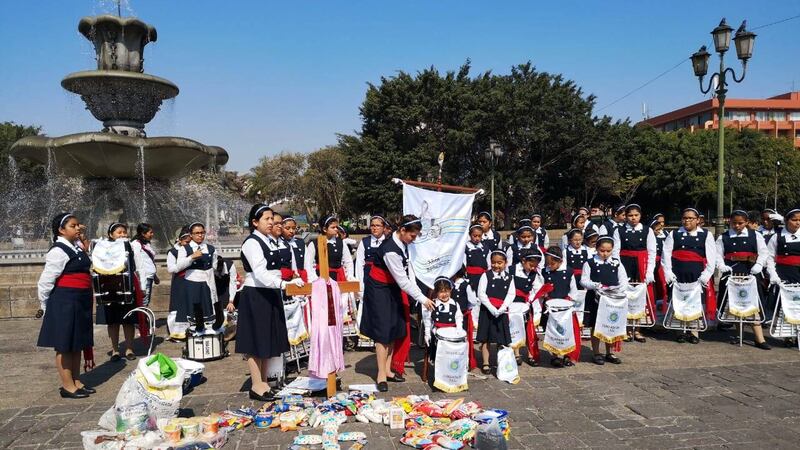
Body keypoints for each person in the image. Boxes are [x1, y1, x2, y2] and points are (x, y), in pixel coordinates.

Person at [360, 215, 434, 392]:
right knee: (383, 330)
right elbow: (403, 281)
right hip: (379, 288)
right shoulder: (390, 250)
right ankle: (380, 374)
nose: (413, 239)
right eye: (412, 236)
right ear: (402, 231)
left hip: (391, 286)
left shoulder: (402, 244)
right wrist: (422, 298)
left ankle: (388, 369)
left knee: (394, 327)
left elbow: (408, 274)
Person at [237, 204, 304, 401]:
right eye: (266, 219)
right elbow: (260, 272)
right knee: (255, 341)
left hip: (271, 292)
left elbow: (277, 270)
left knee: (267, 339)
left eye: (272, 219)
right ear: (255, 222)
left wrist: (290, 282)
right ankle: (256, 384)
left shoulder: (270, 241)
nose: (271, 223)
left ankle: (264, 381)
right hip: (257, 294)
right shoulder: (252, 243)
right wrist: (283, 284)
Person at [37, 213, 95, 399]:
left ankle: (77, 381)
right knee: (64, 345)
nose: (78, 228)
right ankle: (67, 386)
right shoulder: (58, 250)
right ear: (61, 230)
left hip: (80, 300)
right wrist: (45, 304)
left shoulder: (76, 247)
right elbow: (46, 280)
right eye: (73, 225)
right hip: (65, 301)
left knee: (77, 342)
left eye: (78, 225)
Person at [716, 210, 770, 350]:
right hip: (732, 272)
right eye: (734, 223)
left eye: (740, 223)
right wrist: (721, 265)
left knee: (753, 304)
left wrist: (759, 264)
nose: (737, 226)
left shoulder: (755, 235)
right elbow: (717, 254)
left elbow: (764, 252)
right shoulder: (724, 237)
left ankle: (760, 338)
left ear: (746, 222)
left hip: (750, 272)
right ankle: (739, 333)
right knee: (735, 303)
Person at [662, 208, 717, 344]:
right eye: (685, 218)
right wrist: (668, 273)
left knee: (696, 302)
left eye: (690, 218)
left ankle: (694, 331)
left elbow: (711, 257)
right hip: (678, 273)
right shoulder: (674, 234)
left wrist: (706, 275)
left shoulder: (706, 235)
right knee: (678, 301)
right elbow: (666, 255)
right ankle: (679, 331)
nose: (687, 220)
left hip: (697, 274)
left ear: (698, 220)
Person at [581, 236, 628, 365]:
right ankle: (596, 352)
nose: (605, 254)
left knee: (611, 324)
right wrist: (596, 286)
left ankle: (609, 352)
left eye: (608, 251)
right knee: (596, 325)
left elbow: (623, 280)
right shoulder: (589, 263)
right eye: (602, 250)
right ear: (596, 249)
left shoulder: (617, 263)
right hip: (596, 298)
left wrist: (618, 289)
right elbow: (584, 281)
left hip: (612, 299)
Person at [612, 204, 656, 343]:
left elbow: (652, 252)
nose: (633, 218)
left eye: (636, 215)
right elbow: (615, 252)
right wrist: (620, 271)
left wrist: (649, 271)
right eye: (630, 215)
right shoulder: (619, 230)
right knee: (625, 296)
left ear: (640, 216)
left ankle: (637, 329)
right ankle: (625, 328)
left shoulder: (647, 231)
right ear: (626, 216)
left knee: (639, 297)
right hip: (625, 265)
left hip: (640, 265)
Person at [95, 222, 138, 361]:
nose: (123, 235)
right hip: (109, 288)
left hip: (126, 287)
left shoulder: (129, 246)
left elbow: (135, 266)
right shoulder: (102, 248)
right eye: (119, 232)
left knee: (128, 320)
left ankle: (129, 348)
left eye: (124, 232)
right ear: (110, 234)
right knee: (112, 321)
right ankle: (115, 350)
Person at [476, 250, 516, 375]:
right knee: (485, 338)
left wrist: (502, 308)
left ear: (505, 263)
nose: (496, 265)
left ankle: (501, 362)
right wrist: (492, 308)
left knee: (501, 338)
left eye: (500, 263)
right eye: (493, 263)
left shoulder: (509, 278)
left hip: (501, 312)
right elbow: (481, 293)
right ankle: (486, 362)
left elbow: (511, 294)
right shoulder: (486, 275)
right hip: (487, 311)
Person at [539, 246, 580, 367]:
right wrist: (544, 296)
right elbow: (540, 289)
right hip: (550, 307)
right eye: (548, 263)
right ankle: (554, 355)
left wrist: (569, 301)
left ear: (560, 261)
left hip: (565, 308)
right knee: (552, 330)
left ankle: (567, 355)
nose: (550, 265)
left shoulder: (568, 272)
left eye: (553, 263)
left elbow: (574, 291)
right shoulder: (544, 272)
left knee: (566, 331)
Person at [766, 208, 800, 347]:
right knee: (785, 306)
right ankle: (788, 335)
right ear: (786, 221)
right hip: (784, 275)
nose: (797, 223)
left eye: (799, 220)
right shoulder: (777, 236)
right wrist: (773, 274)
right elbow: (769, 257)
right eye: (794, 220)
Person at [175, 222, 218, 332]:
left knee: (208, 308)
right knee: (194, 309)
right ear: (191, 235)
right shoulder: (185, 249)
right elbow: (178, 267)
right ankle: (195, 332)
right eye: (197, 233)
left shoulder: (211, 248)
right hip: (192, 282)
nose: (200, 235)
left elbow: (215, 267)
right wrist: (192, 257)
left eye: (202, 233)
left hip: (207, 282)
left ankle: (209, 332)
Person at [508, 248, 543, 365]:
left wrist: (530, 301)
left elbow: (537, 290)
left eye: (535, 266)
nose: (533, 268)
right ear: (523, 260)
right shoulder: (511, 270)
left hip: (525, 304)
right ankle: (516, 353)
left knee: (529, 330)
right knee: (514, 328)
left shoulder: (534, 274)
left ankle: (530, 354)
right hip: (511, 304)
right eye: (531, 265)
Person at [422, 277, 465, 362]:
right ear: (436, 292)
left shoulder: (455, 304)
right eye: (441, 292)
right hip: (437, 336)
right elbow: (428, 320)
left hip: (451, 336)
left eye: (446, 291)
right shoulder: (432, 304)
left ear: (450, 290)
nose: (444, 294)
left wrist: (459, 330)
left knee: (450, 358)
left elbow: (459, 317)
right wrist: (427, 333)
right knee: (439, 358)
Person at [305, 215, 354, 283]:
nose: (336, 229)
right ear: (325, 229)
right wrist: (313, 278)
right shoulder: (314, 244)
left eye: (336, 227)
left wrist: (349, 275)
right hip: (321, 278)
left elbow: (348, 261)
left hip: (338, 278)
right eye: (333, 227)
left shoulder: (341, 243)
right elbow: (308, 264)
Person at [450, 267, 478, 370]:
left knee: (463, 338)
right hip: (451, 316)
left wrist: (466, 309)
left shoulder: (466, 285)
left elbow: (473, 301)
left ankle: (464, 363)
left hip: (463, 316)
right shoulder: (450, 284)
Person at [166, 226, 191, 339]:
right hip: (180, 282)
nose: (188, 244)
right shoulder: (173, 252)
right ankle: (177, 331)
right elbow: (171, 269)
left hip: (192, 281)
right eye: (186, 242)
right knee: (178, 305)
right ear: (179, 241)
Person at [354, 215, 387, 291]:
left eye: (378, 225)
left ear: (384, 228)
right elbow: (359, 263)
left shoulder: (388, 241)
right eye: (372, 225)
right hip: (368, 278)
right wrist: (360, 285)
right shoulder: (365, 242)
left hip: (384, 278)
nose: (374, 228)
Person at [131, 223, 158, 307]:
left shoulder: (146, 243)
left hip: (149, 276)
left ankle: (144, 318)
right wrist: (142, 284)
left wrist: (155, 276)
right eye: (150, 232)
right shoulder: (136, 244)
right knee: (144, 301)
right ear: (143, 233)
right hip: (144, 277)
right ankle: (143, 319)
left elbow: (149, 262)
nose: (152, 234)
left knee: (146, 300)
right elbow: (138, 263)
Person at [281, 216, 308, 282]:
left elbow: (308, 263)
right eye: (287, 228)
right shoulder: (278, 243)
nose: (291, 231)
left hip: (301, 278)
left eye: (293, 228)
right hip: (285, 280)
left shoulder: (300, 242)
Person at [651, 219, 669, 314]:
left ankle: (661, 303)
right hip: (651, 263)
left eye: (659, 230)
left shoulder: (662, 237)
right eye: (656, 230)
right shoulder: (649, 238)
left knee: (661, 283)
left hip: (660, 263)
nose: (658, 232)